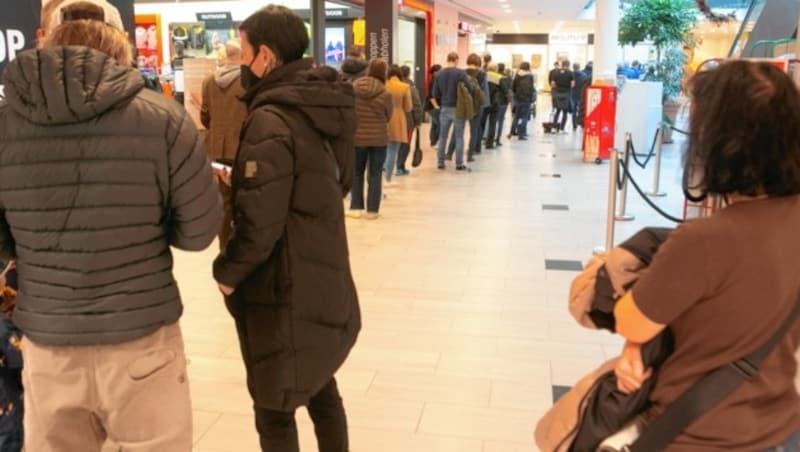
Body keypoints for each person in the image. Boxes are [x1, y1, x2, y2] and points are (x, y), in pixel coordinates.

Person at [0, 0, 222, 450]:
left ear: (46, 41)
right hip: (142, 339)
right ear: (122, 45)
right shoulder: (163, 120)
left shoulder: (5, 126)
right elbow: (199, 233)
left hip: (48, 343)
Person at [613, 60, 800, 451]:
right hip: (778, 423)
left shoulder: (706, 239)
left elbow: (632, 321)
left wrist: (632, 343)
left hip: (698, 432)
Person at [213, 7, 361, 451]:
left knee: (273, 405)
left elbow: (260, 226)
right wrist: (243, 177)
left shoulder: (270, 118)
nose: (240, 62)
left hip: (280, 285)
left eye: (244, 51)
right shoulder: (325, 104)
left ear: (266, 56)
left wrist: (227, 272)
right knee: (320, 385)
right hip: (322, 271)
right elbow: (331, 182)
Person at [201, 40, 247, 249]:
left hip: (217, 150)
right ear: (241, 55)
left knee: (224, 201)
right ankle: (243, 246)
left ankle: (224, 247)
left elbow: (205, 116)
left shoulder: (209, 81)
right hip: (243, 148)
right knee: (245, 198)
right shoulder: (248, 80)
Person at [348, 59, 393, 220]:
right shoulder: (385, 93)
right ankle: (372, 210)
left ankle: (355, 207)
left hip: (357, 138)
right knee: (375, 174)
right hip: (379, 139)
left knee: (357, 173)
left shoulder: (354, 88)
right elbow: (388, 115)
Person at [431, 52, 472, 171]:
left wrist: (439, 105)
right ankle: (459, 163)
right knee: (459, 136)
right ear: (456, 60)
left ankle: (440, 162)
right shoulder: (460, 73)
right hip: (458, 108)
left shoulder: (439, 74)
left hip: (444, 108)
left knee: (443, 136)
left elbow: (435, 94)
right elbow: (469, 88)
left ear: (447, 59)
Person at [384, 65, 413, 183]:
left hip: (383, 118)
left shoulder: (383, 85)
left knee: (382, 149)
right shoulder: (405, 87)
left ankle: (379, 172)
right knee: (393, 149)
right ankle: (388, 177)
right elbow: (408, 107)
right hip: (398, 118)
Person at [396, 65, 423, 176]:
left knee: (392, 144)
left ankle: (387, 165)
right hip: (408, 120)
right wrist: (418, 121)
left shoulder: (391, 86)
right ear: (409, 73)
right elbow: (416, 106)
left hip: (392, 120)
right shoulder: (410, 87)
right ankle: (400, 167)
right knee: (405, 144)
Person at [465, 53, 490, 160]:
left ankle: (450, 152)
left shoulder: (462, 73)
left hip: (465, 104)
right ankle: (474, 150)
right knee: (475, 128)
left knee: (459, 128)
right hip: (478, 105)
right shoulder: (482, 74)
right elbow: (484, 91)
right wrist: (485, 104)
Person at [510, 62, 535, 141]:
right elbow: (531, 88)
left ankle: (512, 132)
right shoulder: (530, 76)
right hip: (526, 99)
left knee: (516, 116)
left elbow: (513, 86)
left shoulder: (517, 75)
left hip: (517, 98)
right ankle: (521, 134)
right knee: (524, 116)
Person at [551, 60, 575, 133]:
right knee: (565, 112)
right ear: (568, 65)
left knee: (557, 112)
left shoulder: (556, 72)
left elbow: (552, 84)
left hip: (557, 93)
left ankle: (554, 128)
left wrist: (557, 88)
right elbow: (573, 84)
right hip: (566, 94)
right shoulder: (570, 73)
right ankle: (562, 129)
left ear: (562, 64)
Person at [484, 63, 504, 150]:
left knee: (481, 123)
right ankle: (489, 144)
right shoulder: (499, 77)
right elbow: (504, 90)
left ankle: (477, 144)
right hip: (495, 103)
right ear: (496, 69)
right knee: (492, 124)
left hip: (484, 102)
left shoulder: (484, 75)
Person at [492, 63, 513, 147]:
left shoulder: (493, 77)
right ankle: (497, 139)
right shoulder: (507, 78)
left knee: (492, 121)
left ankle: (489, 138)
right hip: (503, 102)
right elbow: (508, 90)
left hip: (493, 101)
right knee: (500, 121)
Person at [425, 64, 443, 147]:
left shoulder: (434, 80)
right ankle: (436, 142)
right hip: (434, 106)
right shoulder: (434, 81)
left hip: (431, 106)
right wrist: (436, 106)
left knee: (435, 124)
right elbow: (432, 96)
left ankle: (433, 142)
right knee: (439, 124)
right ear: (436, 71)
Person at [571, 62, 588, 132]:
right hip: (580, 94)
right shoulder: (584, 75)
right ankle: (580, 123)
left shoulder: (570, 74)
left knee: (574, 111)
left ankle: (574, 125)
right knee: (580, 110)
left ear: (573, 67)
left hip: (572, 94)